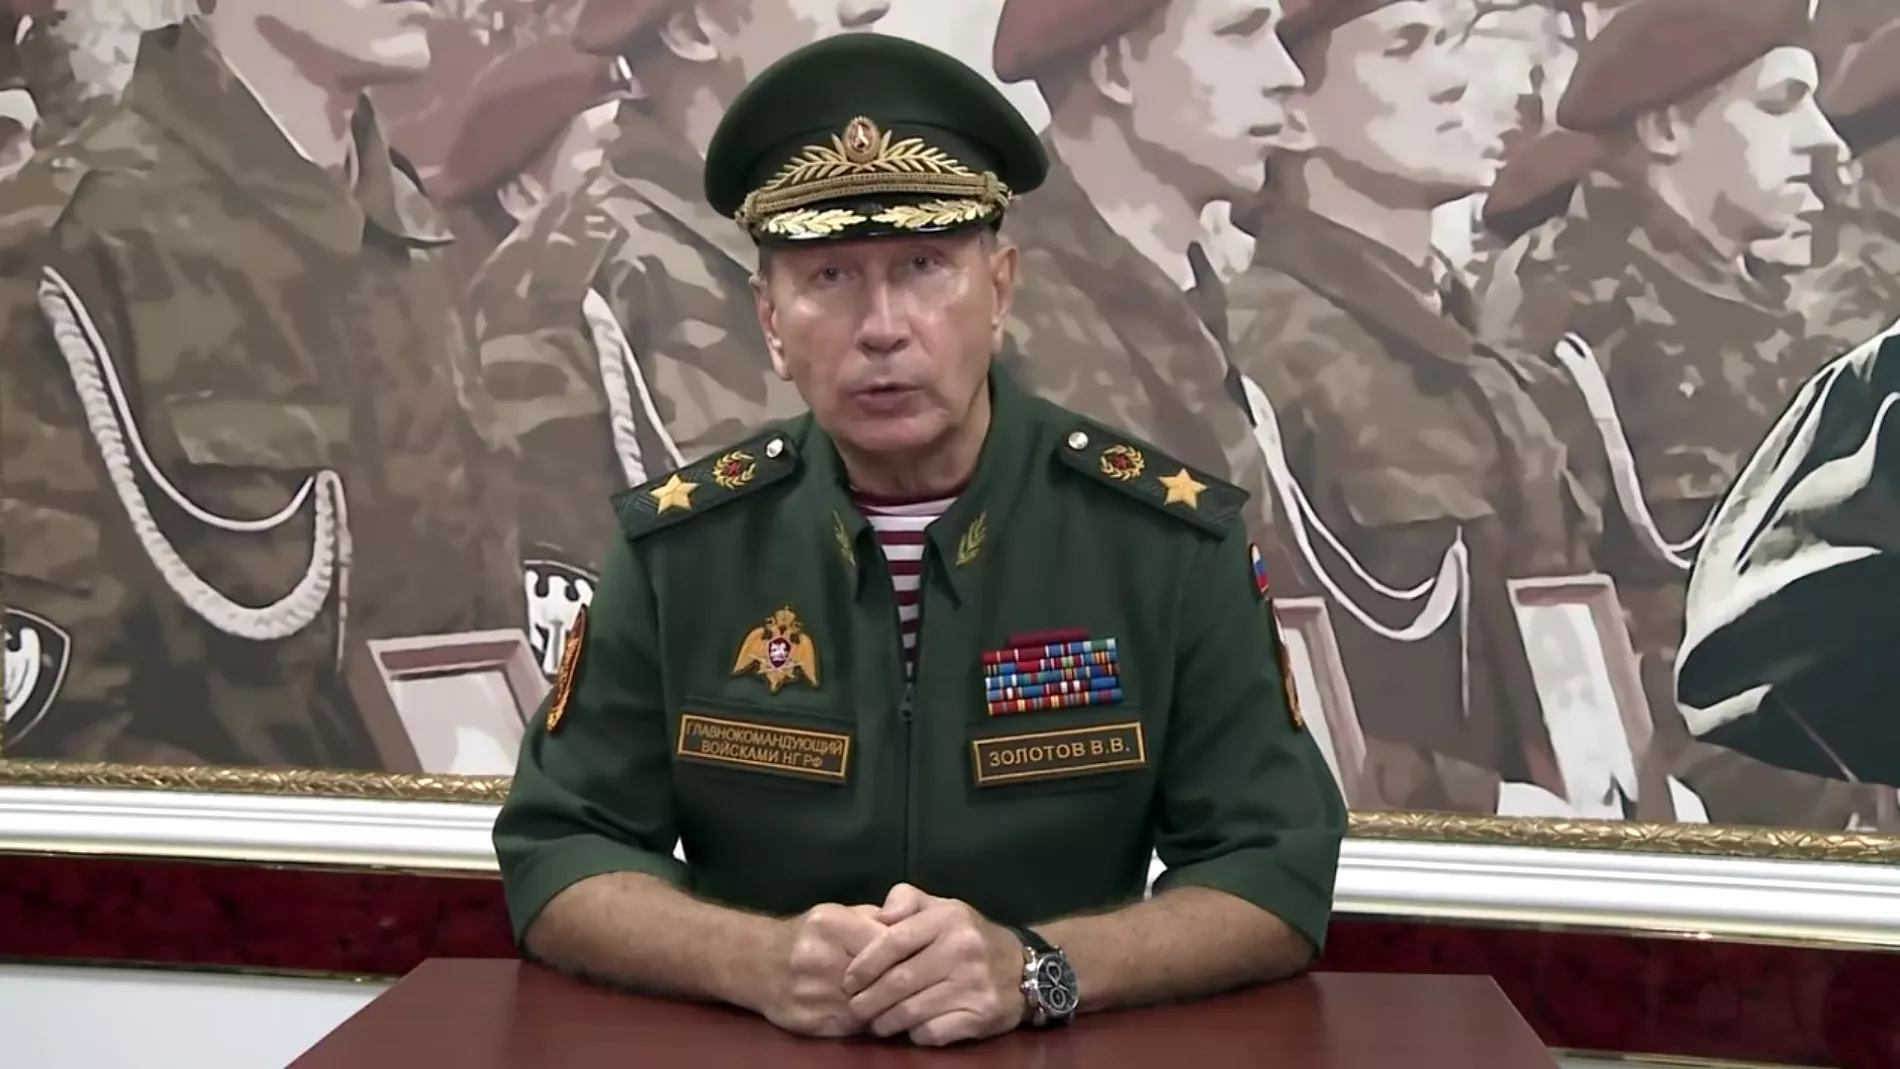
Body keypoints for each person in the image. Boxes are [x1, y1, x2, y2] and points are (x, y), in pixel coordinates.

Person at [490, 31, 1345, 1047]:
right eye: (829, 277)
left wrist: (1040, 968)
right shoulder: (683, 550)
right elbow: (560, 851)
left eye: (925, 266)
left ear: (1002, 289)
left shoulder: (1163, 543)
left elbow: (1274, 869)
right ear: (770, 320)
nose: (883, 326)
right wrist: (753, 960)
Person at [0, 2, 526, 769]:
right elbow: (62, 740)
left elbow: (481, 635)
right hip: (241, 839)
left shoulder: (411, 233)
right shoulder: (71, 243)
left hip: (453, 824)